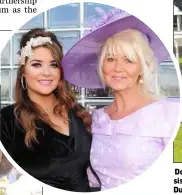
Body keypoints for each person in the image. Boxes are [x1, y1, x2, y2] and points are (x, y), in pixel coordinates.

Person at [62, 8, 180, 190]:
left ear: (142, 67)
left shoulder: (170, 114)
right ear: (101, 66)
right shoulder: (97, 119)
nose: (118, 68)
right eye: (110, 59)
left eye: (129, 60)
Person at [0, 28, 100, 192]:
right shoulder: (7, 121)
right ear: (23, 71)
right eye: (36, 64)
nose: (46, 73)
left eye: (53, 65)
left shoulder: (79, 113)